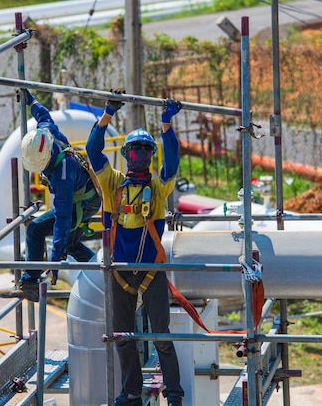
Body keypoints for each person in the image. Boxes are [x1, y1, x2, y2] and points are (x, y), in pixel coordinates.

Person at [85, 90, 184, 406]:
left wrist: (166, 126)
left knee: (162, 338)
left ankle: (174, 394)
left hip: (152, 270)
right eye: (135, 150)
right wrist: (106, 115)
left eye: (145, 150)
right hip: (120, 271)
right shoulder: (112, 183)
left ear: (149, 156)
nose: (140, 155)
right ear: (126, 155)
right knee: (123, 336)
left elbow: (173, 162)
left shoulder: (158, 187)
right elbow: (92, 150)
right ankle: (131, 393)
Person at [0, 89, 102, 303]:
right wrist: (31, 100)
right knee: (71, 243)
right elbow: (43, 114)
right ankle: (104, 271)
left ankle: (29, 284)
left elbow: (63, 218)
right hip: (86, 196)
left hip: (82, 203)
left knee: (36, 229)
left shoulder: (62, 173)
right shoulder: (46, 132)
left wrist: (55, 260)